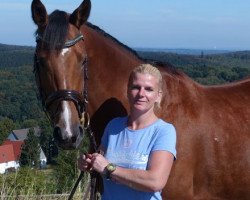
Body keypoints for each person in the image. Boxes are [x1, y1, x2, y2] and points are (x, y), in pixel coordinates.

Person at [78, 64, 177, 200]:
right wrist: (89, 163)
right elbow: (100, 161)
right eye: (136, 87)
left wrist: (109, 169)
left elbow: (155, 181)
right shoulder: (113, 126)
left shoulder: (164, 131)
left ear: (158, 96)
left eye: (149, 89)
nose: (141, 94)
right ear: (128, 90)